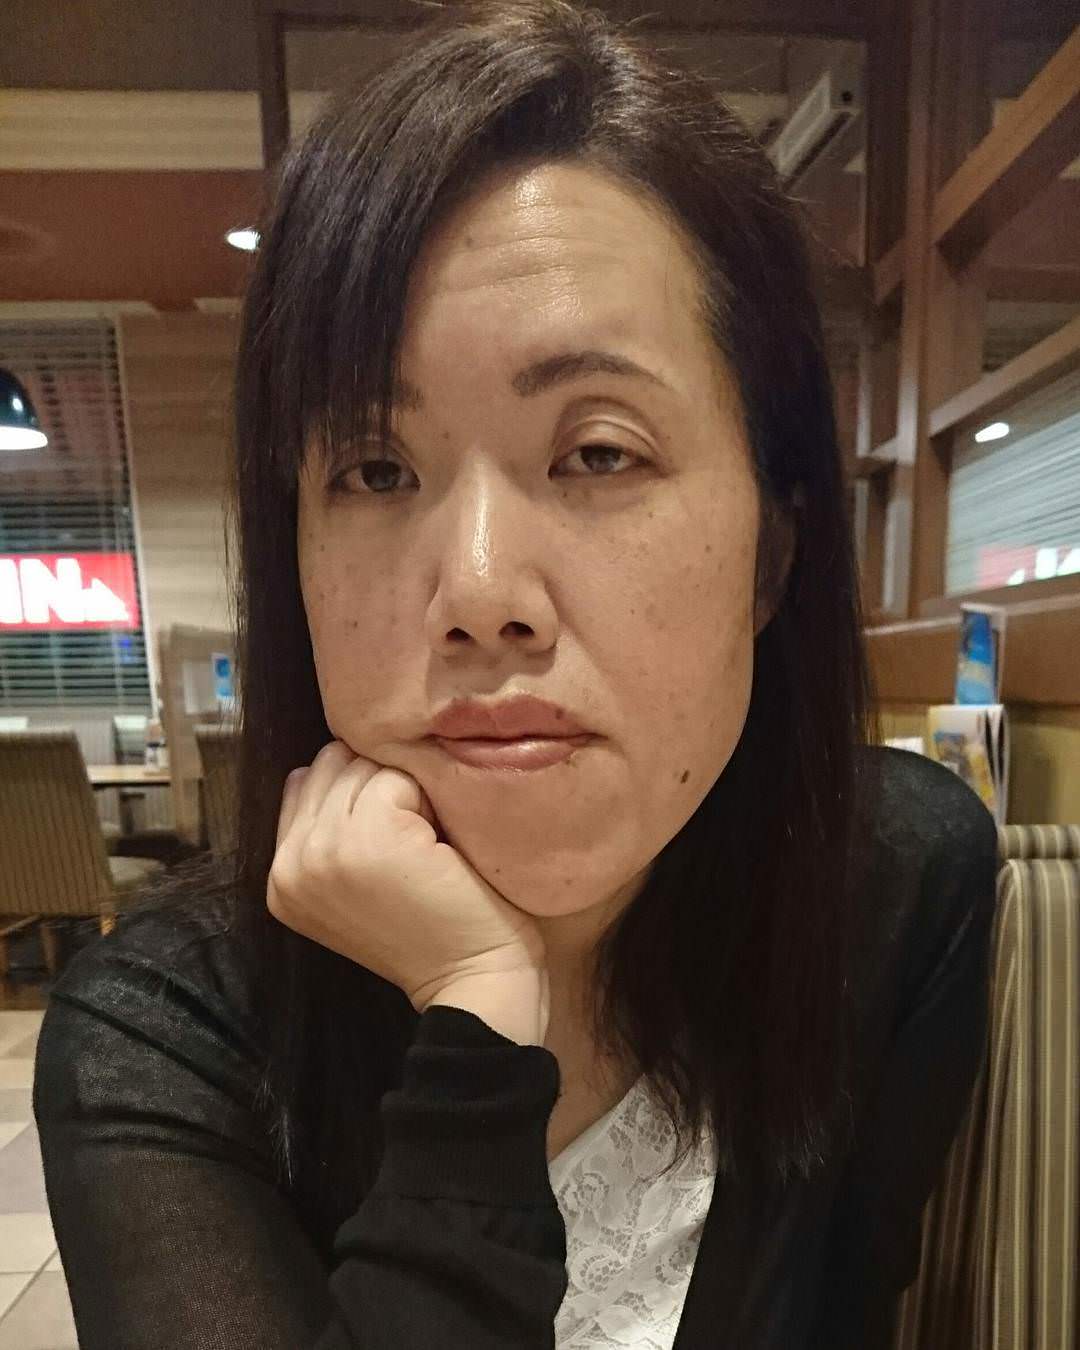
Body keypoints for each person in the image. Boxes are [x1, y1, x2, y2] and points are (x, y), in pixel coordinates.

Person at [32, 1, 998, 1346]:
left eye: (598, 452)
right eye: (376, 469)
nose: (480, 593)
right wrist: (478, 1018)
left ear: (771, 556)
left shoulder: (896, 886)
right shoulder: (159, 1034)